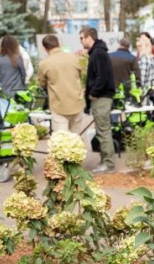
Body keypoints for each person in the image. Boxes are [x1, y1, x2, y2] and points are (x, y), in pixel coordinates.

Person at [80, 27, 116, 173]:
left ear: (89, 37)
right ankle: (105, 161)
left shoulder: (98, 53)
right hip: (100, 97)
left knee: (103, 131)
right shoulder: (98, 52)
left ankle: (108, 163)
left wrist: (93, 92)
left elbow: (102, 76)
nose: (81, 41)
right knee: (102, 130)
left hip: (101, 98)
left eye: (81, 37)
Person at [38, 35, 85, 134]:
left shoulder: (44, 64)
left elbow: (42, 84)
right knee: (75, 139)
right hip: (77, 102)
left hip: (58, 105)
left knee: (62, 141)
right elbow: (81, 75)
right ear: (59, 44)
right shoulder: (74, 58)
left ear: (44, 49)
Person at [0, 35, 27, 122]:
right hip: (17, 92)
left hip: (3, 91)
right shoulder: (17, 57)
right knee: (17, 118)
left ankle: (7, 133)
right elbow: (23, 73)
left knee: (6, 118)